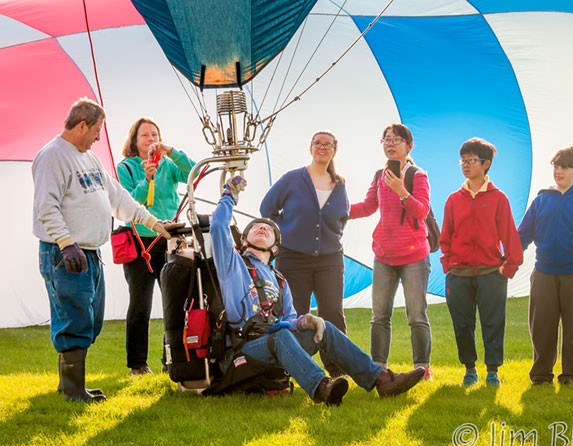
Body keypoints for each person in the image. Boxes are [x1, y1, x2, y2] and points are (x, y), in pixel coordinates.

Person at [210, 176, 425, 406]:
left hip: (278, 343)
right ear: (243, 241)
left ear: (275, 247)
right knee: (281, 337)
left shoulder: (279, 281)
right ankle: (322, 387)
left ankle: (382, 379)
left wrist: (306, 322)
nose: (262, 227)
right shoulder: (233, 265)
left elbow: (289, 320)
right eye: (255, 227)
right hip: (245, 350)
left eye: (268, 228)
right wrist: (229, 196)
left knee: (327, 327)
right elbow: (218, 226)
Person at [32, 97, 172, 403]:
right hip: (65, 252)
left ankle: (69, 384)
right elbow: (47, 206)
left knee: (91, 320)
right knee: (74, 316)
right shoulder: (53, 156)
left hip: (90, 251)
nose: (99, 137)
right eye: (97, 130)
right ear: (82, 125)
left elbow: (118, 198)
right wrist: (66, 243)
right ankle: (72, 389)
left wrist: (153, 222)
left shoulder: (89, 159)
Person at [260, 130, 349, 377]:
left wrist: (332, 237)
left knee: (332, 313)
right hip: (293, 258)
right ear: (310, 148)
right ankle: (292, 369)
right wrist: (285, 234)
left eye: (328, 144)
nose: (322, 147)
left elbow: (342, 218)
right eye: (317, 143)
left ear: (334, 150)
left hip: (330, 260)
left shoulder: (340, 185)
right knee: (295, 312)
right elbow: (267, 208)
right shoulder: (292, 179)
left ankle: (338, 370)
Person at [518, 146, 573, 385]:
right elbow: (523, 235)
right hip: (544, 273)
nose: (559, 171)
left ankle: (571, 375)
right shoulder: (540, 201)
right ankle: (540, 375)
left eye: (565, 166)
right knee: (541, 328)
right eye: (556, 166)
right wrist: (508, 259)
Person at [349, 123, 433, 379]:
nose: (391, 143)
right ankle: (379, 368)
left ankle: (422, 368)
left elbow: (422, 211)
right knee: (379, 316)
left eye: (397, 140)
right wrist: (337, 210)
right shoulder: (379, 175)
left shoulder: (418, 175)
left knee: (416, 315)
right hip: (384, 255)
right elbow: (367, 206)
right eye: (386, 139)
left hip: (414, 256)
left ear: (408, 146)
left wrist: (401, 191)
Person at [439, 137, 523, 387]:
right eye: (462, 160)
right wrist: (448, 265)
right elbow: (446, 236)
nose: (465, 165)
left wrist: (508, 267)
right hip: (459, 274)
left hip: (491, 274)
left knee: (493, 323)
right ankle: (469, 369)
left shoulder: (499, 199)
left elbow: (509, 235)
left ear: (485, 164)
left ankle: (493, 371)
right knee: (463, 325)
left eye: (471, 160)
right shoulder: (454, 199)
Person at [116, 117, 195, 375]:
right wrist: (145, 180)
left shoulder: (169, 166)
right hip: (140, 241)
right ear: (135, 141)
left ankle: (170, 358)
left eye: (154, 135)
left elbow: (194, 173)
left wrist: (172, 152)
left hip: (170, 237)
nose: (150, 139)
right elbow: (126, 203)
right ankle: (137, 364)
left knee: (175, 302)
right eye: (145, 135)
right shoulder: (126, 168)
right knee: (141, 304)